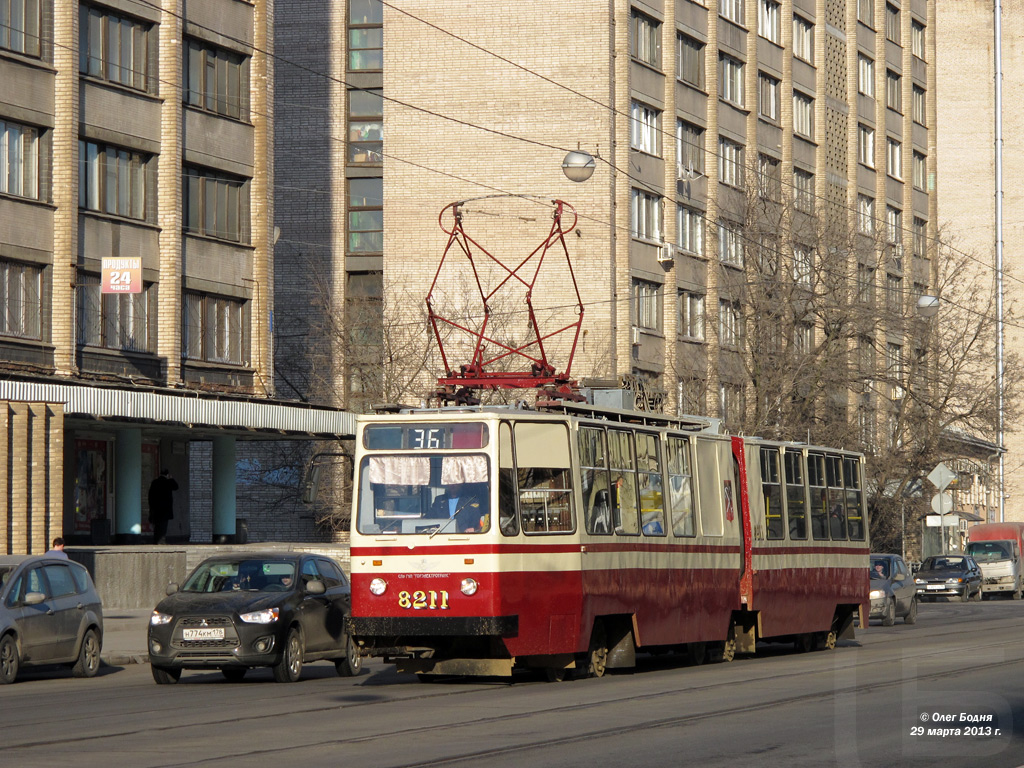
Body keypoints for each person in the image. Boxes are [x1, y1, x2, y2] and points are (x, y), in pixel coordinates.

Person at [148, 469, 178, 544]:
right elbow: (176, 487)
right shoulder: (168, 482)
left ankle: (156, 540)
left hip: (156, 508)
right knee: (163, 526)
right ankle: (161, 541)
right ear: (167, 475)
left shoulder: (154, 482)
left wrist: (151, 506)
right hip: (165, 509)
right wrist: (171, 479)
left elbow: (150, 495)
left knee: (157, 526)